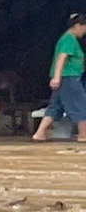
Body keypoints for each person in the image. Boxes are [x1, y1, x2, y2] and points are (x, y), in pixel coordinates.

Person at [32, 9, 86, 141]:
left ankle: (39, 134)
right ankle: (83, 135)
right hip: (69, 78)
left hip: (65, 77)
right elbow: (61, 58)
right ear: (78, 26)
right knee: (81, 103)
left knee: (55, 106)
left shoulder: (67, 38)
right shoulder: (69, 39)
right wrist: (57, 77)